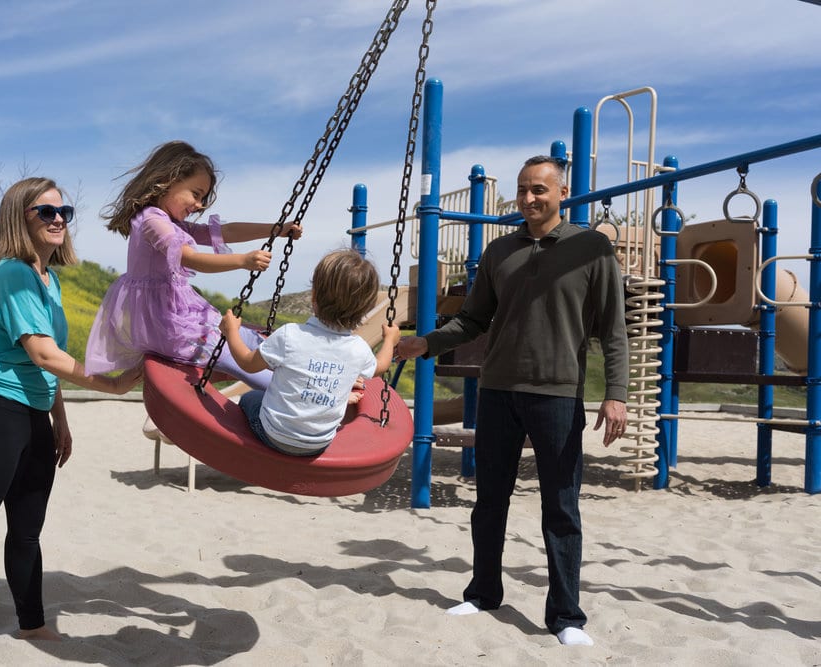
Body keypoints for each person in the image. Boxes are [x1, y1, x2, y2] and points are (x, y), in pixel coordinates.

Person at [396, 155, 628, 647]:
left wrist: (616, 395)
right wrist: (427, 343)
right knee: (488, 502)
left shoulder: (592, 248)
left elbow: (613, 329)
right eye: (523, 190)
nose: (528, 198)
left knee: (561, 508)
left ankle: (565, 615)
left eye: (539, 190)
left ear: (561, 193)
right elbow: (473, 320)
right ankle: (483, 593)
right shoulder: (500, 251)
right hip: (498, 390)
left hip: (558, 395)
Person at [0, 178, 143, 666]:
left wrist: (59, 419)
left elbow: (49, 359)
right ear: (19, 218)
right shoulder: (13, 276)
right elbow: (42, 353)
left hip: (33, 417)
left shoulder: (49, 279)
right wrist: (113, 384)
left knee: (26, 532)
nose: (59, 217)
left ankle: (32, 625)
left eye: (64, 209)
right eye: (46, 211)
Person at [85, 140, 302, 389]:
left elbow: (226, 231)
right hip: (167, 326)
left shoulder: (173, 222)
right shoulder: (151, 221)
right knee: (232, 354)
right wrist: (242, 261)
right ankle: (294, 393)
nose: (199, 204)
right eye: (196, 194)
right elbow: (187, 257)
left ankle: (310, 378)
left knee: (251, 339)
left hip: (180, 316)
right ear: (168, 180)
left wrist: (278, 229)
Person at [219, 249, 401, 456]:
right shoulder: (358, 348)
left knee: (250, 398)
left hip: (273, 435)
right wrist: (389, 339)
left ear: (314, 296)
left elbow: (247, 363)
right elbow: (381, 366)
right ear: (366, 307)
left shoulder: (290, 334)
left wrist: (231, 332)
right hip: (319, 443)